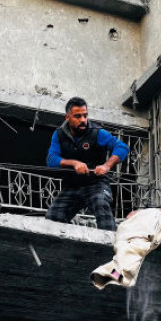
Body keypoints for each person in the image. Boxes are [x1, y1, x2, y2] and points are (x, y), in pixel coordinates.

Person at [45, 97, 129, 230]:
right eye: (77, 116)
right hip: (72, 186)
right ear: (67, 117)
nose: (83, 120)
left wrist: (106, 166)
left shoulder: (97, 132)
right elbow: (51, 159)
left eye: (85, 115)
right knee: (52, 219)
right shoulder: (59, 134)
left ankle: (111, 246)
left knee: (102, 206)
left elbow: (122, 148)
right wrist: (74, 163)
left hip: (96, 184)